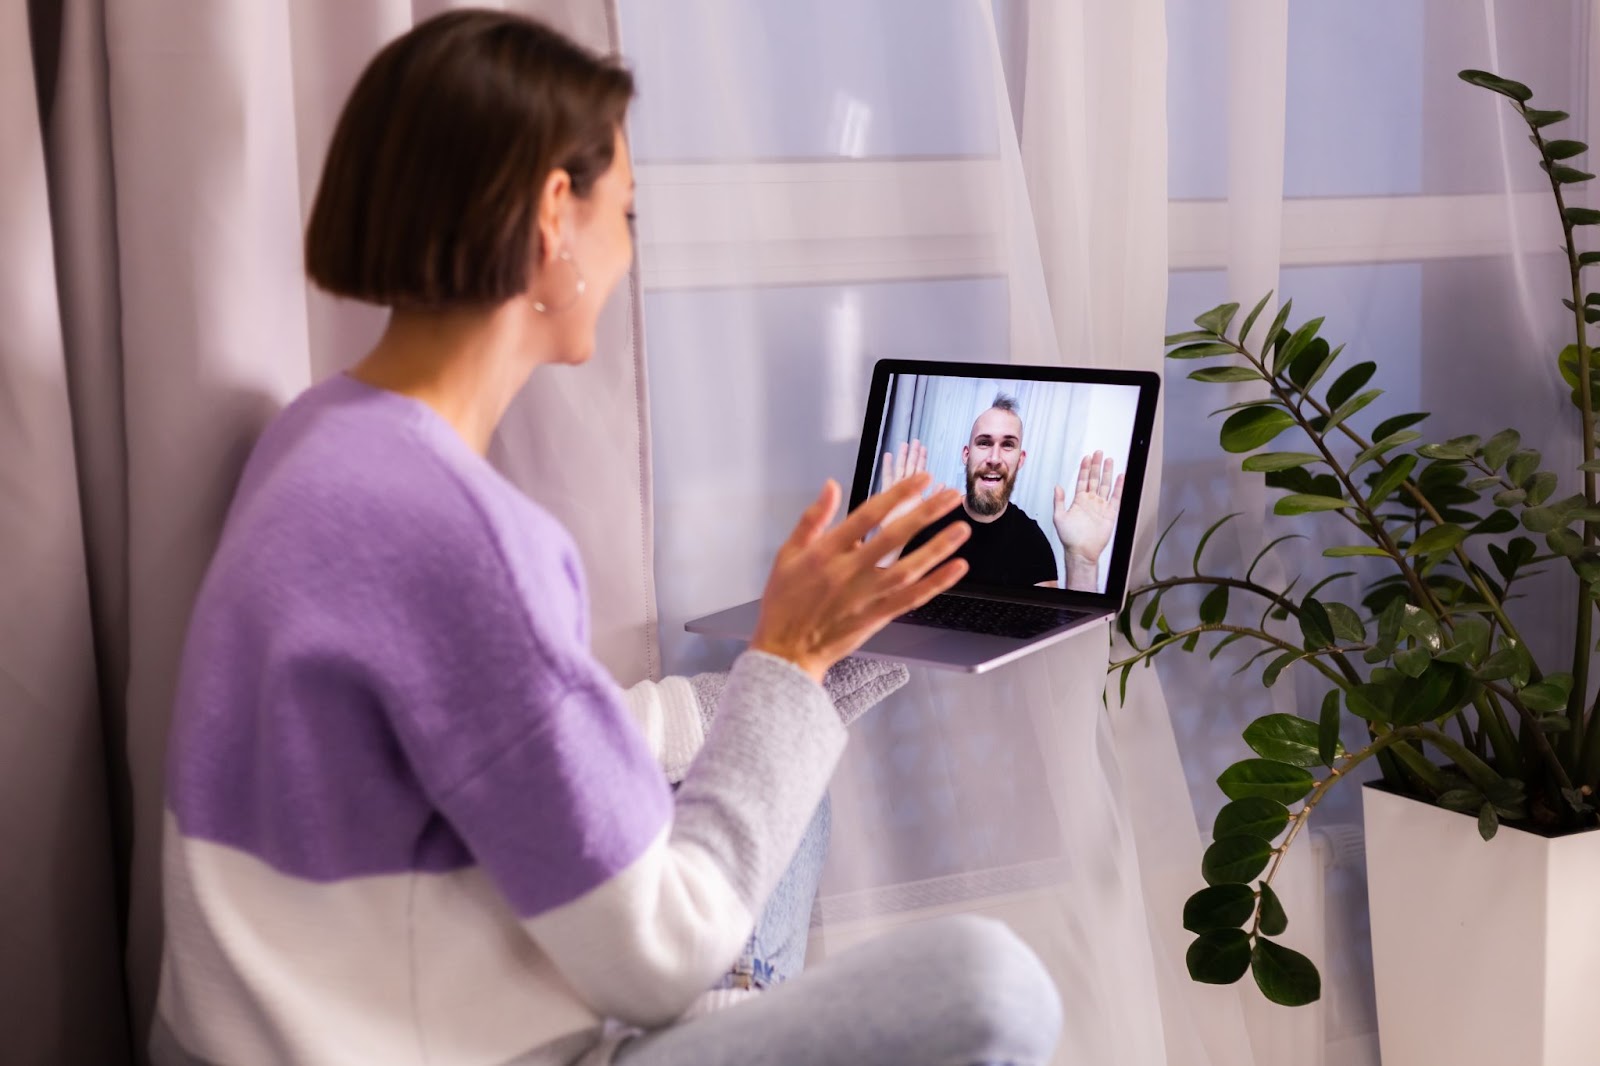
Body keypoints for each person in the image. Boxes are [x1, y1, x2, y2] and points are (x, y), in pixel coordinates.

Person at [151, 11, 1063, 1066]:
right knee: (990, 988)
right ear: (553, 216)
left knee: (765, 761)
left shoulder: (319, 440)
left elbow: (501, 736)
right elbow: (658, 952)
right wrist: (785, 660)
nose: (630, 248)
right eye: (625, 211)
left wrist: (797, 679)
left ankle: (736, 988)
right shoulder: (460, 537)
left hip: (265, 1026)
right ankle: (729, 1005)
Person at [892, 392, 1124, 591]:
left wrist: (1082, 561)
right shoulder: (925, 523)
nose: (994, 458)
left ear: (1020, 459)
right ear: (966, 454)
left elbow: (1054, 635)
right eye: (984, 442)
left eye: (1007, 445)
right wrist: (893, 537)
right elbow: (876, 609)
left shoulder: (1033, 544)